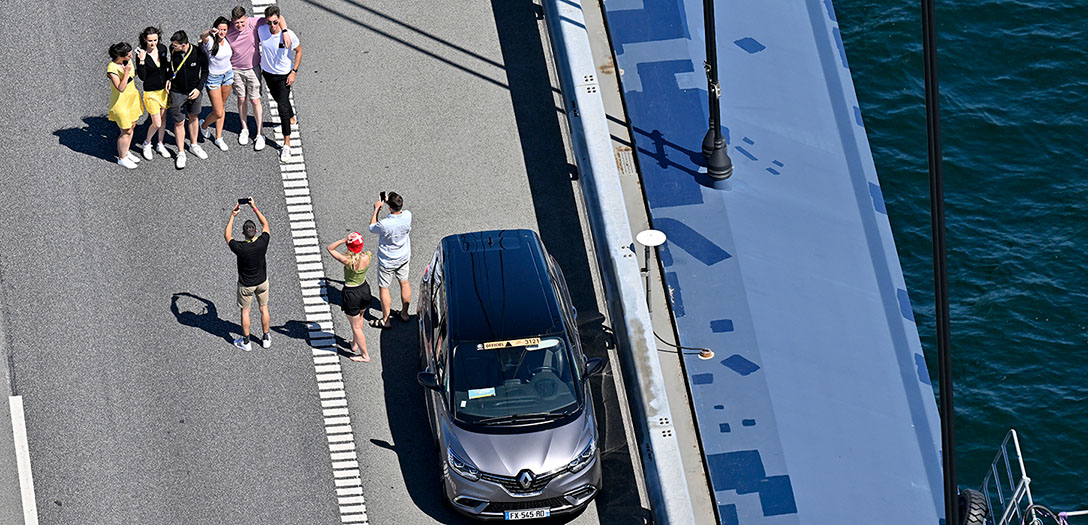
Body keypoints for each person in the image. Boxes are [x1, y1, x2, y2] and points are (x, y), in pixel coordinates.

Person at [226, 198, 272, 351]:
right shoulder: (262, 242)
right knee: (263, 308)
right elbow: (266, 225)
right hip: (262, 282)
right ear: (256, 232)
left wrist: (233, 215)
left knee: (245, 311)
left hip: (246, 285)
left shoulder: (239, 247)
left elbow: (227, 235)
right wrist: (254, 207)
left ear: (243, 233)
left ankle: (246, 342)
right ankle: (265, 337)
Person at [257, 5, 302, 162]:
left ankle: (287, 146)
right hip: (268, 74)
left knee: (281, 107)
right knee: (279, 100)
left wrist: (294, 71)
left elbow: (299, 51)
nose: (272, 26)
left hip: (284, 76)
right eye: (269, 22)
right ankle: (291, 117)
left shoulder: (288, 35)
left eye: (275, 22)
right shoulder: (261, 30)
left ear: (279, 20)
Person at [326, 233, 373, 362]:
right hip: (364, 289)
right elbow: (363, 253)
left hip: (352, 294)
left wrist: (343, 239)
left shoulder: (348, 261)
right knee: (360, 317)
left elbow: (330, 248)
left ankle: (365, 355)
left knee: (355, 326)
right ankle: (355, 343)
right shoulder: (368, 255)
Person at [369, 192, 412, 329]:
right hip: (403, 256)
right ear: (402, 204)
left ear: (389, 207)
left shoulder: (385, 224)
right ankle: (405, 314)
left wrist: (376, 208)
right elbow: (397, 209)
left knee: (384, 287)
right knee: (404, 283)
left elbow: (372, 227)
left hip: (387, 260)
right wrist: (389, 202)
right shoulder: (408, 215)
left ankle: (386, 320)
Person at [168, 31, 210, 169]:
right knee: (179, 122)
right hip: (177, 92)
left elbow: (205, 72)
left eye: (175, 45)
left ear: (184, 45)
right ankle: (181, 153)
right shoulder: (172, 50)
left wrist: (199, 88)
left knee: (193, 117)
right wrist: (169, 78)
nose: (172, 47)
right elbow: (171, 67)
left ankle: (194, 145)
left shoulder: (198, 53)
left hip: (194, 91)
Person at [226, 6, 265, 150]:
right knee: (241, 99)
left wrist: (285, 32)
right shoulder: (227, 28)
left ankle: (260, 134)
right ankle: (244, 129)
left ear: (246, 18)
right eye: (237, 23)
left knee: (255, 100)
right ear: (232, 21)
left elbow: (276, 18)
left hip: (253, 68)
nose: (240, 26)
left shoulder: (253, 22)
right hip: (236, 69)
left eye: (242, 22)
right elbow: (207, 36)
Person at [134, 27, 171, 160]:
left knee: (164, 118)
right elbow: (143, 77)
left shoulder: (162, 49)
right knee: (157, 123)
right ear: (144, 39)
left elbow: (166, 66)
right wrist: (142, 61)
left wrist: (169, 80)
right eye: (150, 40)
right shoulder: (141, 55)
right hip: (150, 93)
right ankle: (147, 143)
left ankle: (160, 144)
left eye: (155, 40)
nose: (153, 43)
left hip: (163, 91)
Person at [106, 42, 144, 169]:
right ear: (121, 56)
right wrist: (126, 72)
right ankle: (121, 158)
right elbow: (120, 88)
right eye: (129, 55)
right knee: (125, 130)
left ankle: (126, 151)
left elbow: (135, 74)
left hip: (132, 99)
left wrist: (141, 61)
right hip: (121, 103)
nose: (131, 57)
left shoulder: (128, 62)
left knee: (132, 126)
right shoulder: (112, 68)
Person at [198, 17, 234, 152]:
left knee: (222, 107)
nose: (222, 32)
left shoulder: (227, 39)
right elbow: (202, 36)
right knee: (218, 112)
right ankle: (204, 126)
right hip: (213, 78)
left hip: (227, 75)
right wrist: (210, 31)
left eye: (224, 30)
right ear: (215, 29)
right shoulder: (210, 41)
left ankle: (219, 137)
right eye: (220, 29)